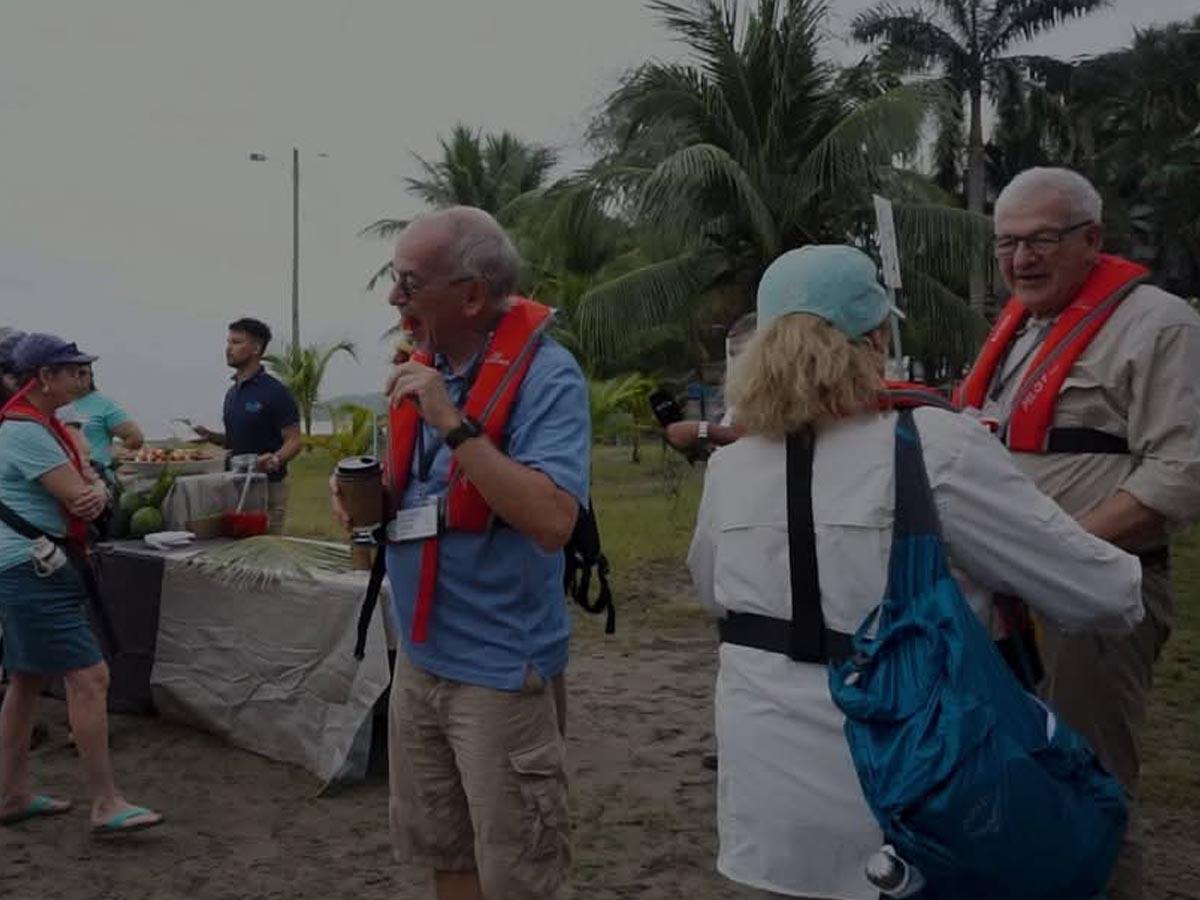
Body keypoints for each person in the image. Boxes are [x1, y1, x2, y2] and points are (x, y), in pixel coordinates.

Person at [687, 245, 1143, 899]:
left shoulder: (730, 470)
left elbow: (714, 596)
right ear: (874, 338)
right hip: (917, 795)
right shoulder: (936, 446)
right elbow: (1103, 594)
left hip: (770, 800)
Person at [329, 206, 589, 900]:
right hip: (420, 658)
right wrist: (363, 502)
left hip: (501, 670)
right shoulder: (421, 371)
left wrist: (451, 420)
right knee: (446, 853)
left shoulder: (547, 378)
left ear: (471, 294)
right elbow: (417, 502)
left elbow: (553, 519)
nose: (394, 298)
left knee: (519, 874)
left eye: (409, 283)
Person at [956, 167, 1200, 899]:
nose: (1022, 259)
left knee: (1085, 772)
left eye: (1042, 240)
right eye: (1007, 244)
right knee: (1010, 767)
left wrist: (1059, 556)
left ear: (1093, 240)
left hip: (1093, 594)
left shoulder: (1159, 325)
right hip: (1005, 593)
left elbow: (1180, 472)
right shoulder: (1021, 329)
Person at [0, 333, 163, 834]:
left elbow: (91, 489)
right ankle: (105, 801)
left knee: (26, 680)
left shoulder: (47, 425)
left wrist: (92, 485)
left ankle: (11, 794)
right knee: (89, 678)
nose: (81, 377)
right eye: (71, 370)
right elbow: (83, 498)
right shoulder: (26, 432)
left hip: (29, 563)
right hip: (32, 566)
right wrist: (92, 485)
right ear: (43, 378)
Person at [191, 318, 301, 534]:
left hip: (267, 489)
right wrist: (210, 436)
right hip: (235, 486)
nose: (228, 348)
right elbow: (236, 440)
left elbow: (295, 440)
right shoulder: (233, 393)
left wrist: (275, 459)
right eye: (228, 341)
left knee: (264, 558)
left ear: (256, 348)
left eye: (236, 342)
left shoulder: (275, 391)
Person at [63, 363, 144, 470]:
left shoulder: (104, 405)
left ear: (91, 376)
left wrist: (112, 459)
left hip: (96, 472)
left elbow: (135, 437)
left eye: (82, 373)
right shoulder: (56, 402)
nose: (77, 377)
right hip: (61, 472)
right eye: (71, 373)